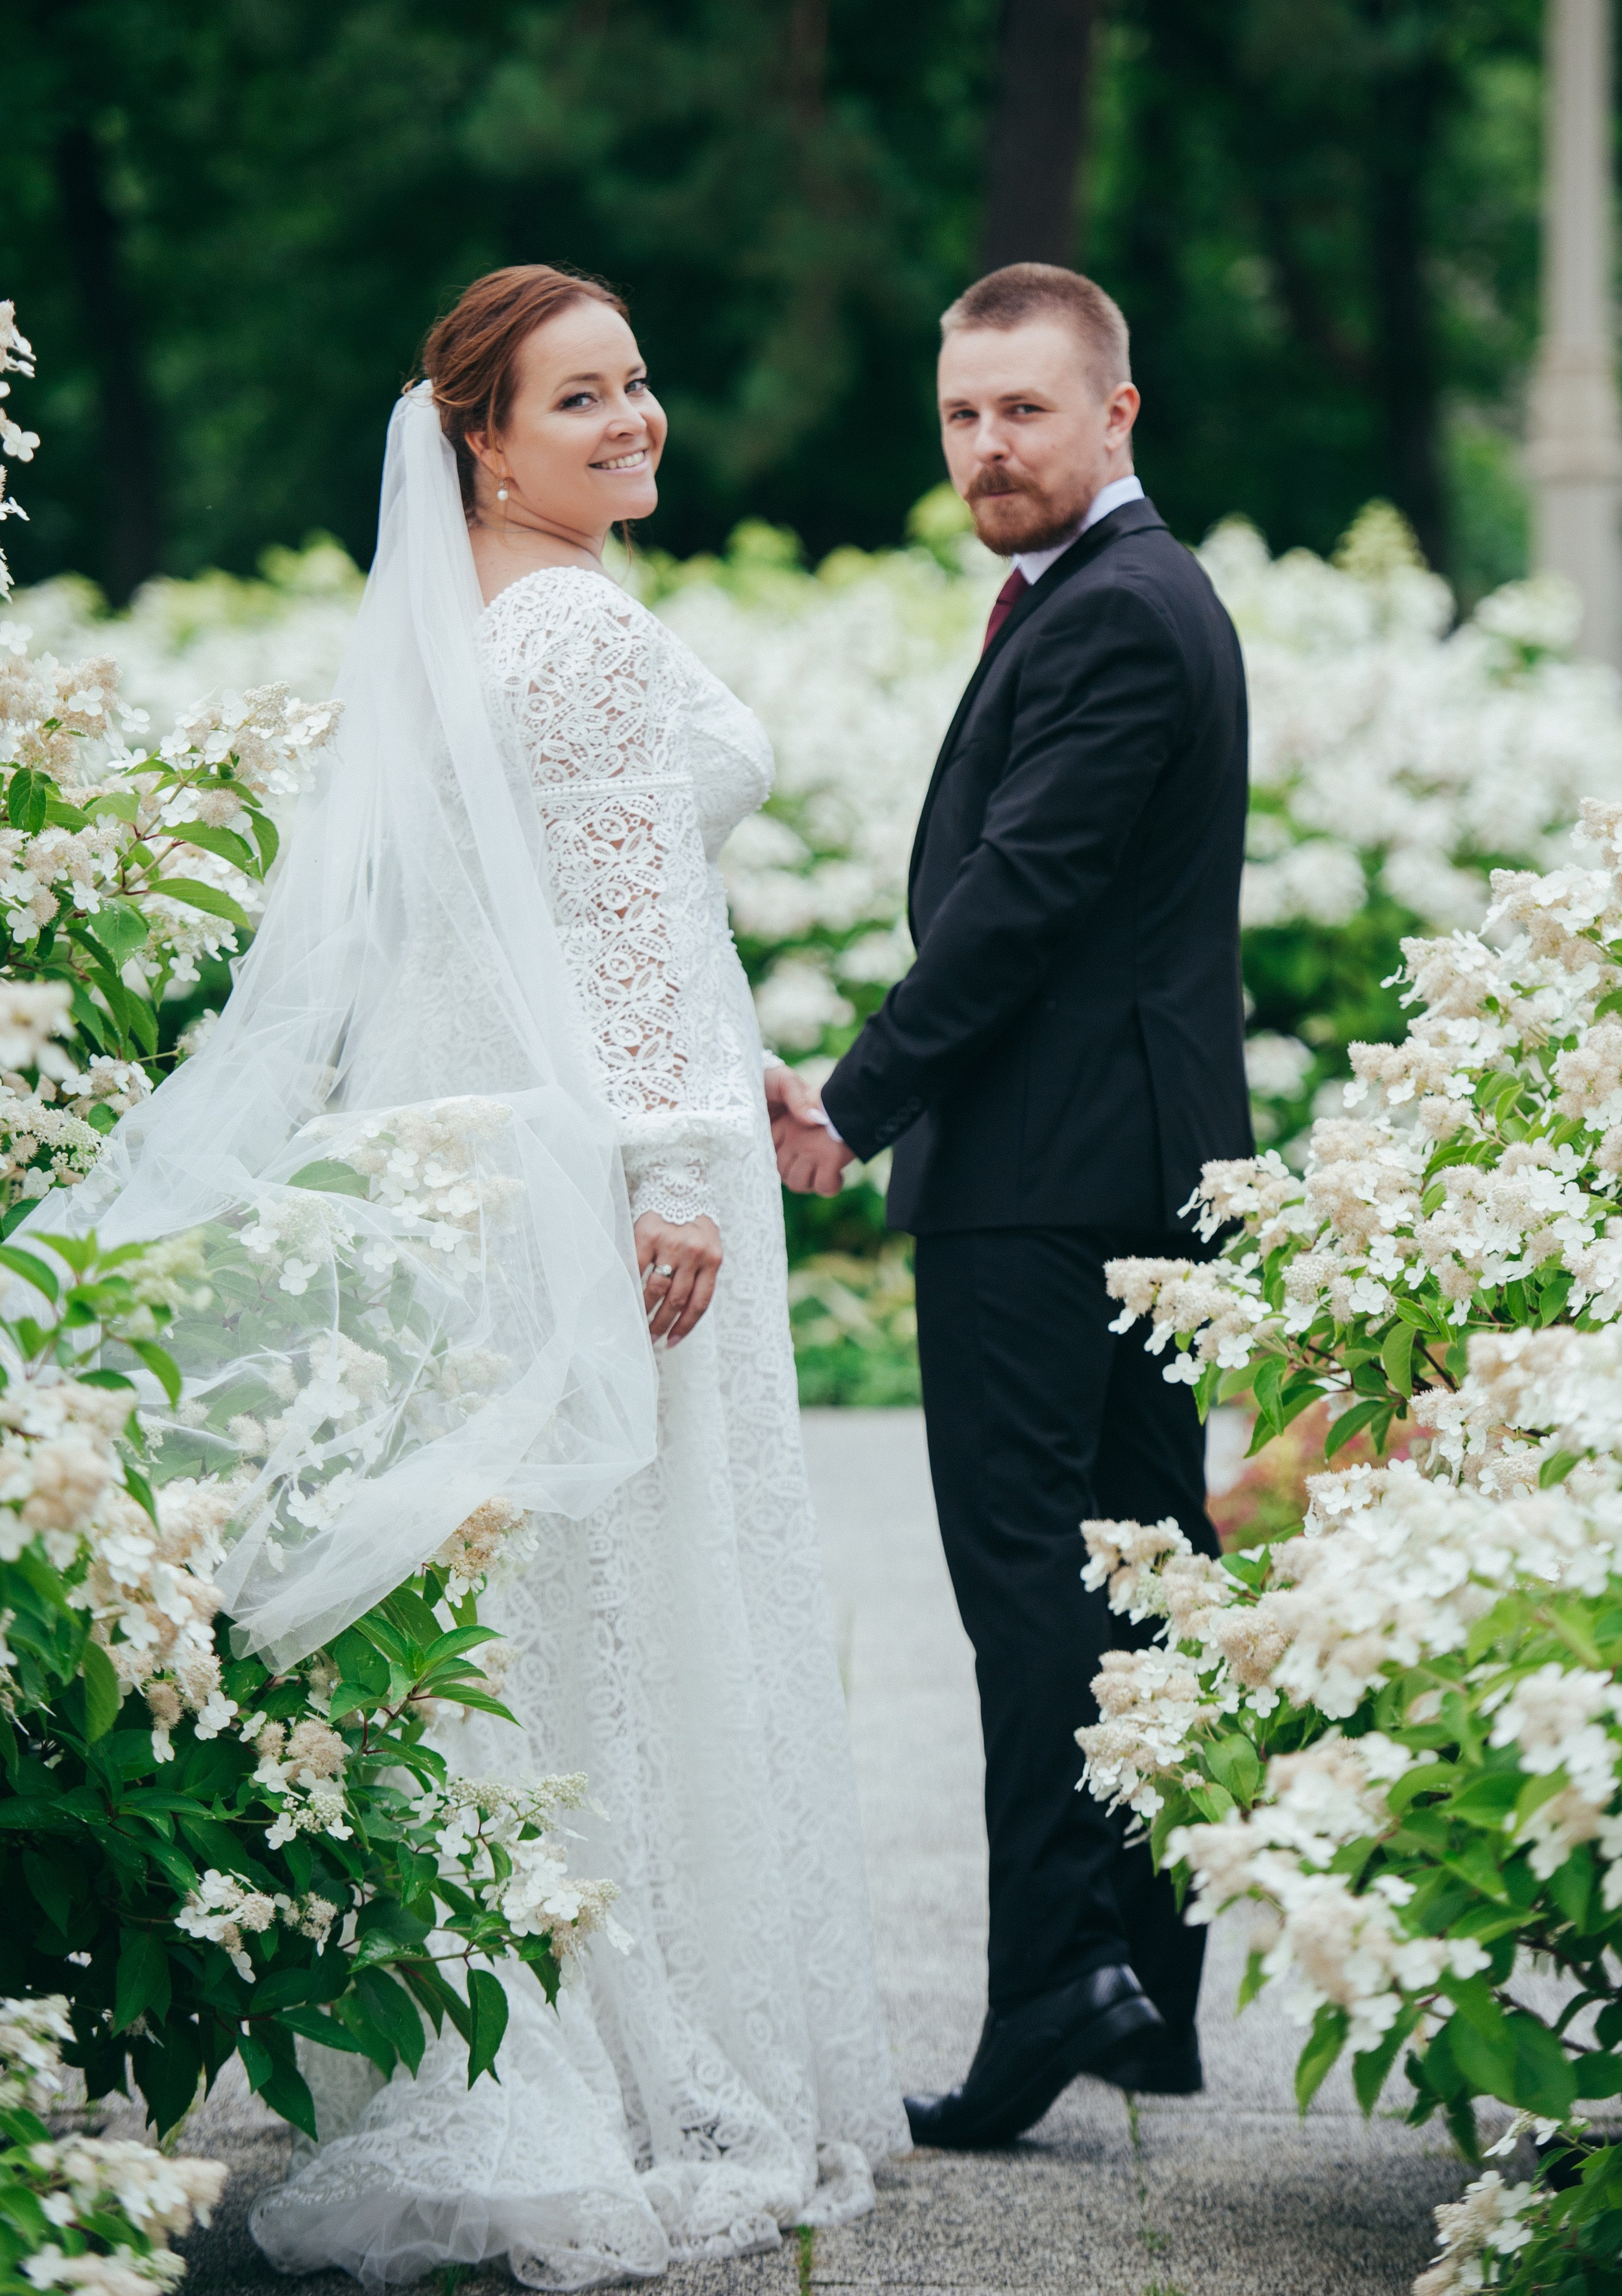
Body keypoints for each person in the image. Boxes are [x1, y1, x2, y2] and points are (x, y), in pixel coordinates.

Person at [52, 264, 906, 2286]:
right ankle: (619, 2064)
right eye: (580, 398)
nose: (633, 421)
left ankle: (538, 2033)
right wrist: (682, 1173)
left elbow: (557, 929)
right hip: (627, 1186)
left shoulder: (472, 642)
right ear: (484, 445)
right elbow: (616, 947)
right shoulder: (579, 635)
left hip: (520, 1163)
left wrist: (718, 1055)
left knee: (548, 1608)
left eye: (638, 384)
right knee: (651, 1589)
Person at [770, 261, 1253, 2149]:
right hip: (1124, 1159)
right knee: (1142, 1568)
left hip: (1048, 1179)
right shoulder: (1125, 594)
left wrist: (860, 1101)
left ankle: (1058, 1991)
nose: (988, 445)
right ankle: (1146, 1983)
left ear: (1116, 414)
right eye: (966, 413)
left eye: (1026, 410)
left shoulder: (1121, 610)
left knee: (1039, 1589)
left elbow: (1024, 896)